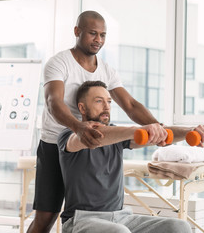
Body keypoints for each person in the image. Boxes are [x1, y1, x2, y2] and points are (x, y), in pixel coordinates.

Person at [27, 10, 204, 232]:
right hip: (61, 141)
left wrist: (161, 132)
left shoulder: (107, 70)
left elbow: (131, 105)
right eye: (93, 33)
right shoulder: (60, 63)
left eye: (103, 35)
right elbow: (52, 101)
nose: (98, 40)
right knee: (46, 218)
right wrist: (79, 127)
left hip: (98, 140)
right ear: (77, 32)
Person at [57, 80, 192, 233]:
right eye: (99, 101)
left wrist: (191, 132)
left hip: (121, 217)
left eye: (109, 101)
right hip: (81, 220)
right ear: (82, 107)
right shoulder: (69, 136)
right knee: (120, 232)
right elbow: (96, 137)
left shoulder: (117, 137)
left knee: (179, 227)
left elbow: (164, 134)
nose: (106, 106)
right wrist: (137, 130)